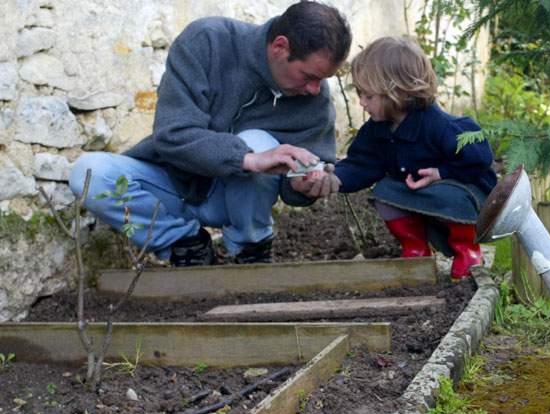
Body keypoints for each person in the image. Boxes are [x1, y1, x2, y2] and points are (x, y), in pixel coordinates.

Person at [68, 1, 349, 266]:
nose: (314, 89)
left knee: (257, 141)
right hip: (172, 187)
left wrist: (302, 184)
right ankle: (184, 242)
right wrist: (250, 159)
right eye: (309, 76)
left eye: (321, 80)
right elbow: (171, 134)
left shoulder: (314, 97)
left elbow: (308, 171)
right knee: (88, 174)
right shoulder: (207, 41)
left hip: (236, 203)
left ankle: (250, 247)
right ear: (279, 46)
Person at [298, 36, 496, 279]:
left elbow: (479, 159)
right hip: (422, 199)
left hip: (465, 199)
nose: (361, 103)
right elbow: (363, 164)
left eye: (368, 96)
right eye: (360, 95)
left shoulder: (441, 127)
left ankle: (467, 251)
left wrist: (441, 173)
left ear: (398, 92)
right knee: (385, 192)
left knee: (451, 195)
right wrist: (334, 179)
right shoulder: (376, 130)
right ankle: (415, 248)